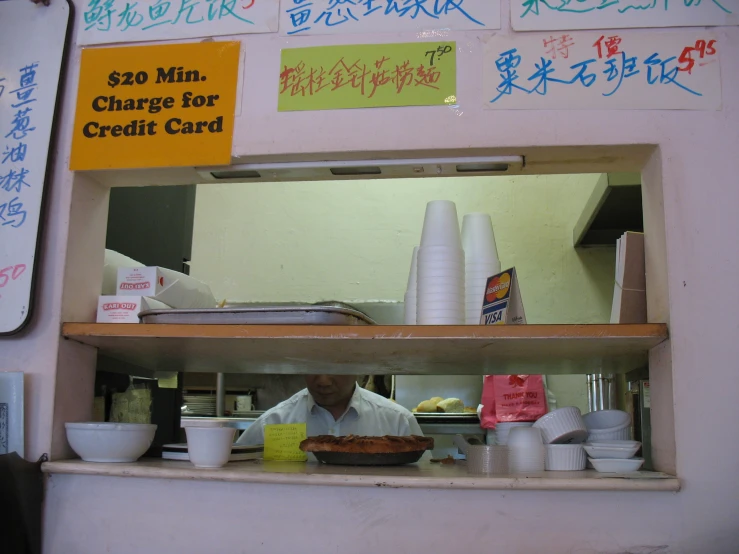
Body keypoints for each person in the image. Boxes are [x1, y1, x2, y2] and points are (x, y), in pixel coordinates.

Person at [236, 375, 422, 445]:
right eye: (314, 367)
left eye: (334, 368)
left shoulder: (398, 422)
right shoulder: (274, 421)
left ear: (356, 366)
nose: (323, 381)